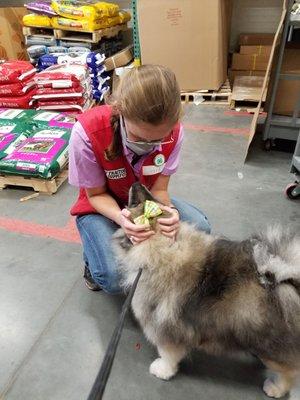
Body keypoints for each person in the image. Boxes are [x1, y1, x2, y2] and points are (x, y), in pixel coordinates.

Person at [69, 64, 211, 294]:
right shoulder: (87, 132)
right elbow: (95, 195)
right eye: (139, 137)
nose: (148, 146)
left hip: (143, 201)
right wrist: (121, 218)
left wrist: (169, 212)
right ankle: (91, 259)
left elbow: (159, 189)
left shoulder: (175, 132)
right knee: (114, 279)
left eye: (158, 139)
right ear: (120, 111)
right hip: (100, 205)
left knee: (200, 227)